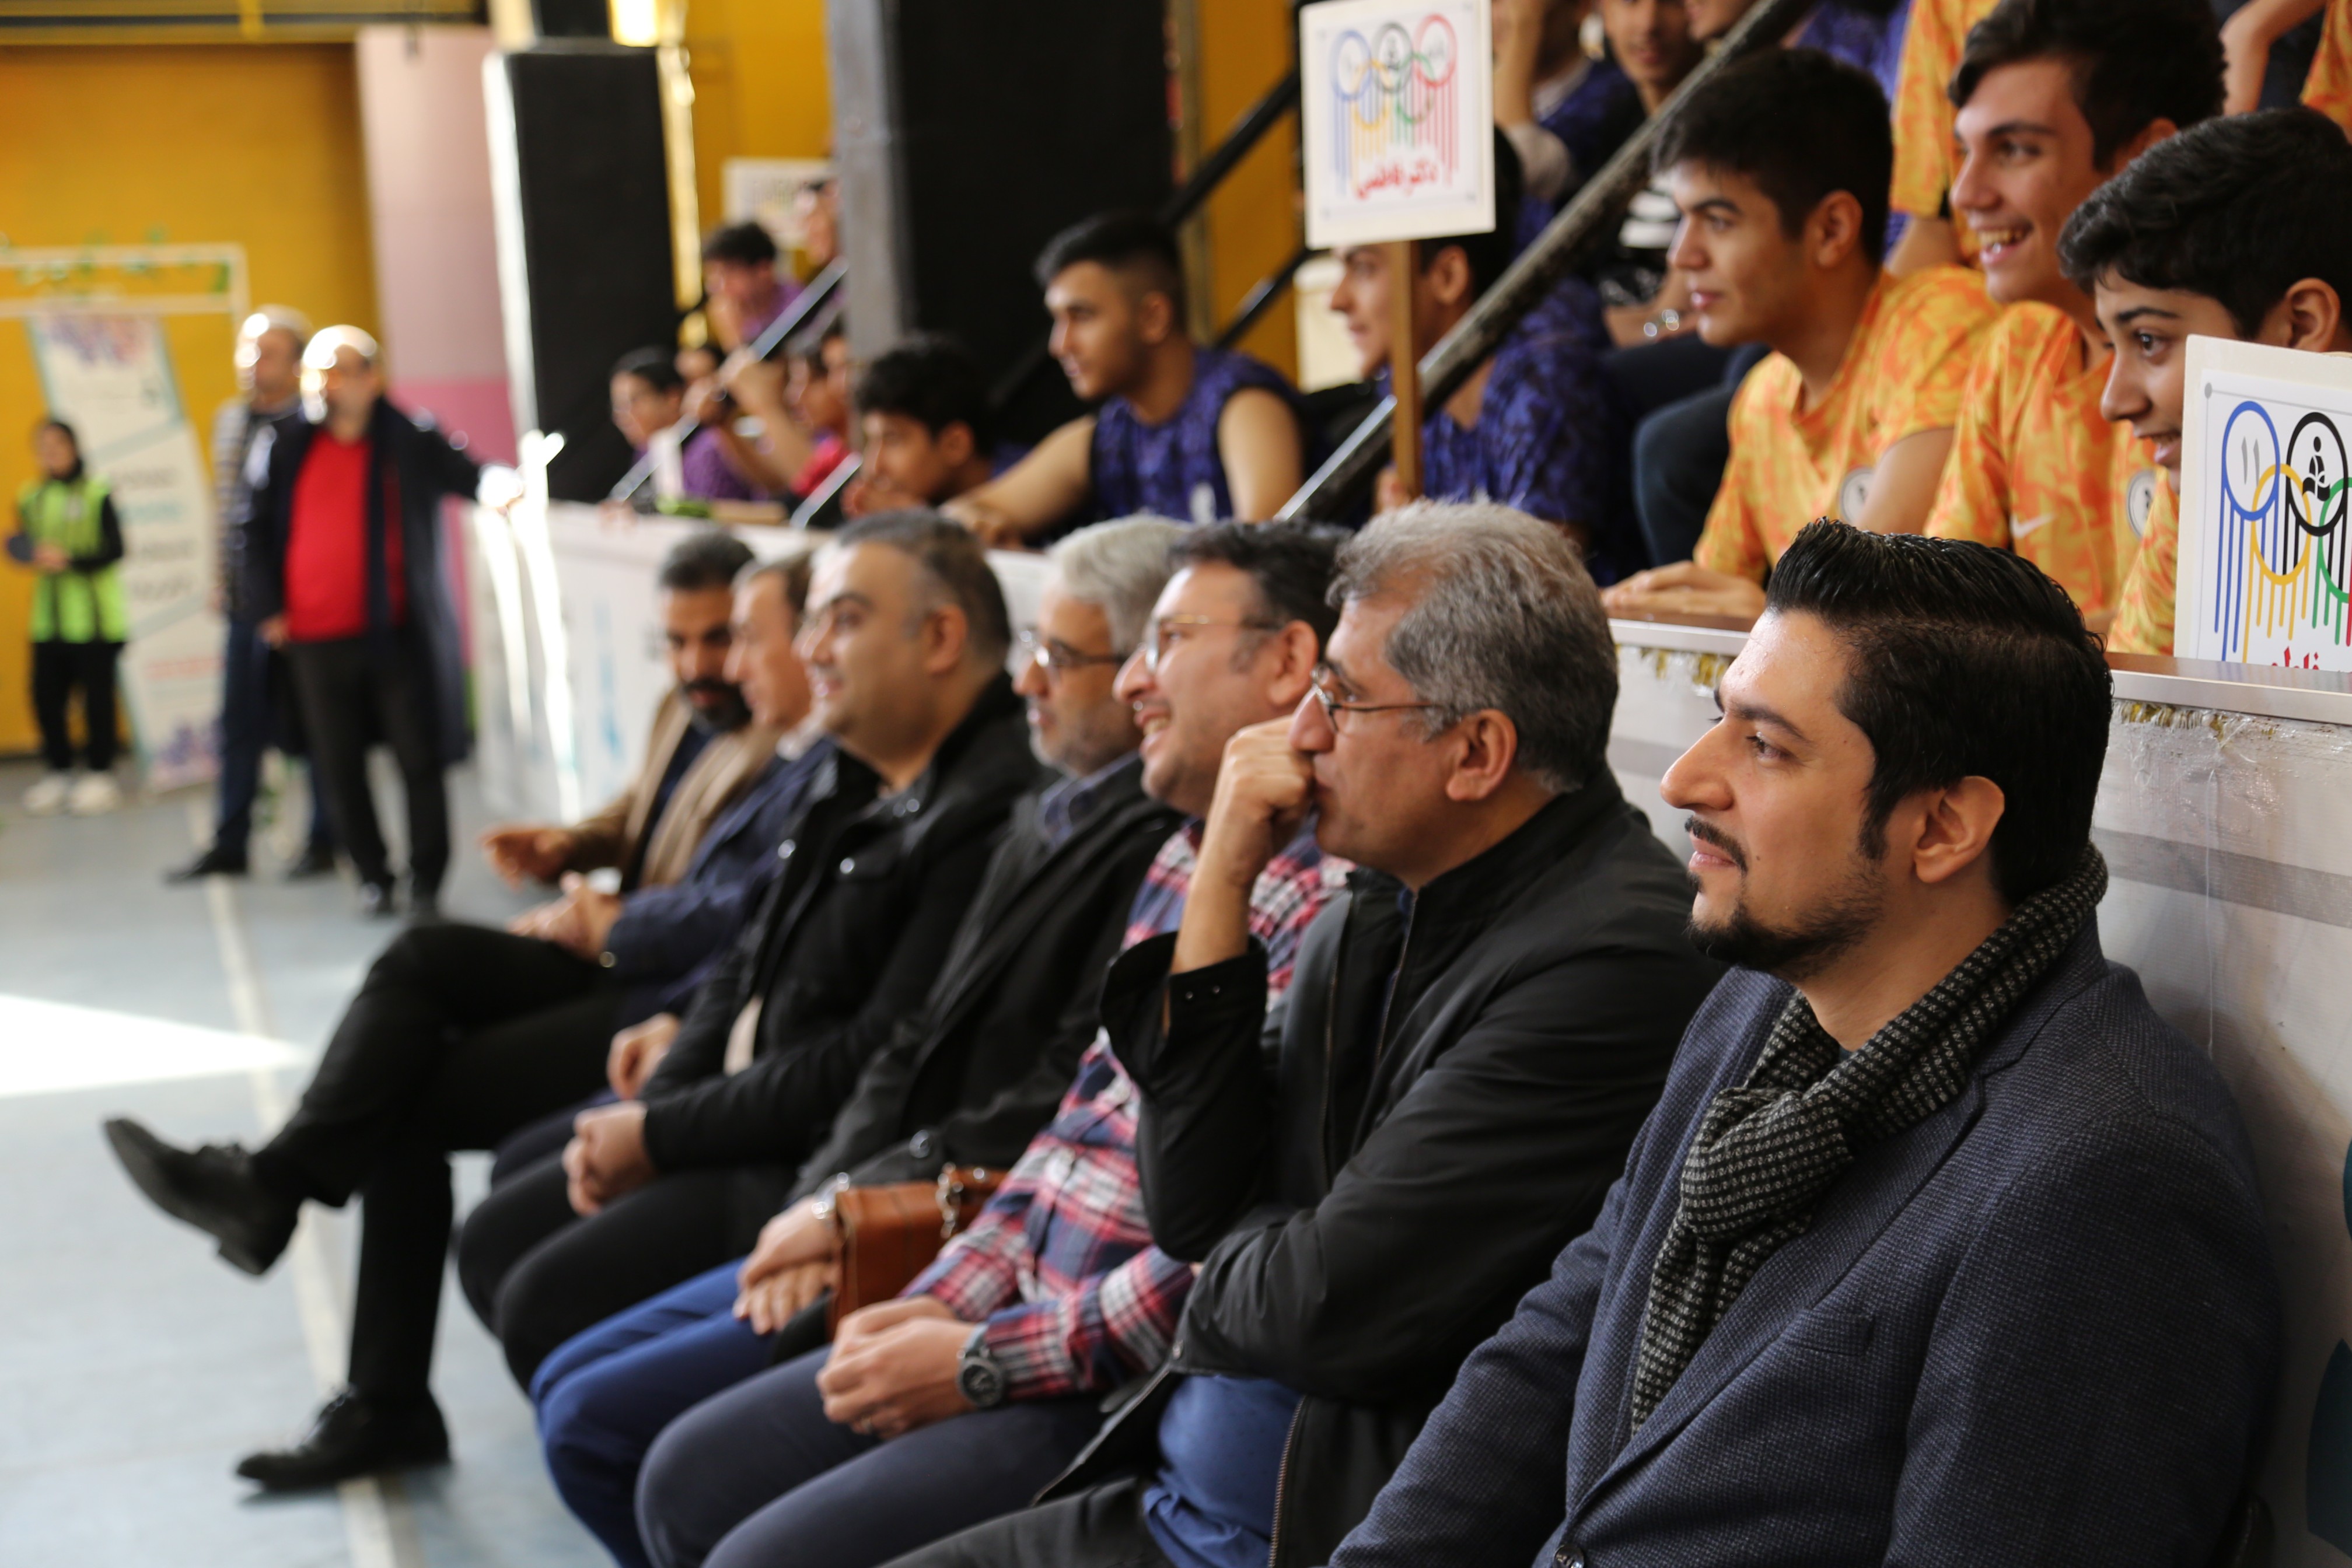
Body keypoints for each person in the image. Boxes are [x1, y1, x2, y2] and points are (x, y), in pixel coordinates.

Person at [1326, 521, 2281, 1568]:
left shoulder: (2103, 1180)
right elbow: (1558, 1344)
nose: (1685, 780)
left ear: (1941, 828)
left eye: (1766, 747)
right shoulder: (1758, 1004)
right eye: (1718, 720)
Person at [894, 502, 1720, 1568]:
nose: (1301, 734)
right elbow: (1189, 1205)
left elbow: (1313, 1309)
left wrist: (1250, 1247)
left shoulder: (1611, 963)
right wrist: (1221, 878)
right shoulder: (1376, 900)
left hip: (1314, 1531)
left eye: (1341, 697)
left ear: (1475, 752)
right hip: (1174, 1479)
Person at [575, 520, 1348, 1568]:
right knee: (674, 1467)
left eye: (1162, 644)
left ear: (1290, 661)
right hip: (995, 1272)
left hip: (1111, 1381)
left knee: (698, 1495)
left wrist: (975, 1349)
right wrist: (930, 1293)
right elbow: (1065, 1135)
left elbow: (1224, 1251)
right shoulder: (1182, 848)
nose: (1131, 682)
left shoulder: (1332, 908)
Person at [100, 541, 829, 1491]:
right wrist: (570, 847)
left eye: (726, 639)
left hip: (658, 987)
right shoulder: (694, 713)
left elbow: (741, 914)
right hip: (625, 949)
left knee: (401, 1095)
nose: (706, 664)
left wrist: (612, 923)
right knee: (421, 959)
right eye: (681, 641)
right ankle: (283, 1202)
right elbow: (648, 818)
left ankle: (318, 1273)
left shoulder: (797, 748)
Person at [455, 513, 1043, 1391]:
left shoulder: (989, 814)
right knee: (499, 1230)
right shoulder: (850, 771)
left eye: (841, 621)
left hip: (803, 1150)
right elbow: (746, 961)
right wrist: (663, 1103)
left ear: (940, 639)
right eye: (808, 625)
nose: (811, 651)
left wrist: (679, 1142)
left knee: (545, 1308)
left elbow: (876, 1057)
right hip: (753, 1108)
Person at [1605, 49, 1997, 621]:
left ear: (1831, 230)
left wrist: (1764, 617)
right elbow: (1715, 590)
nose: (1682, 255)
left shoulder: (1938, 322)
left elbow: (1877, 607)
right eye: (1683, 219)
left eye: (1718, 221)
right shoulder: (1762, 397)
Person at [1920, 0, 2221, 629]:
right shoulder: (2018, 344)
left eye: (2015, 150)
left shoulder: (2237, 358)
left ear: (2146, 157)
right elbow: (1933, 614)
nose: (1966, 193)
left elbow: (2216, 661)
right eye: (1964, 151)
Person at [2059, 107, 2352, 656]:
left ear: (2300, 325)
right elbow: (2137, 697)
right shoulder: (2200, 483)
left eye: (2149, 340)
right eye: (2112, 345)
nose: (2113, 401)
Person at [241, 326, 510, 919]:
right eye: (317, 374)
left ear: (373, 378)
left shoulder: (410, 437)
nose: (326, 386)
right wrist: (269, 608)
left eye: (339, 372)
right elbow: (250, 528)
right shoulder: (284, 443)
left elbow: (473, 475)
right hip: (313, 639)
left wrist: (504, 487)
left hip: (395, 634)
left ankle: (425, 880)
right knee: (338, 766)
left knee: (418, 759)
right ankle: (372, 876)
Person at [1329, 139, 1635, 582]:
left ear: (1448, 276)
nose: (1336, 300)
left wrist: (1418, 552)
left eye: (1363, 268)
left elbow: (1534, 586)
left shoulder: (1547, 381)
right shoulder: (1406, 386)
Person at [944, 214, 1310, 541]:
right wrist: (982, 531)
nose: (1060, 345)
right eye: (1058, 321)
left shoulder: (1245, 406)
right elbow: (960, 515)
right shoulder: (1108, 436)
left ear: (1153, 318)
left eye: (1082, 316)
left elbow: (1263, 558)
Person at [169, 307, 337, 878]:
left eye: (268, 352)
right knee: (239, 725)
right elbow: (228, 513)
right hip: (245, 605)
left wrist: (287, 603)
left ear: (296, 364)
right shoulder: (229, 421)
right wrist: (224, 579)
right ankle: (230, 843)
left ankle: (324, 839)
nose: (252, 362)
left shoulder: (313, 426)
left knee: (314, 727)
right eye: (248, 349)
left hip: (300, 609)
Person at [11, 418, 127, 817]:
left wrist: (71, 559)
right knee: (45, 696)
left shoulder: (98, 491)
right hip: (49, 617)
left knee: (97, 698)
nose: (51, 453)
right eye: (44, 446)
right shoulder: (31, 496)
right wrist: (26, 551)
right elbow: (21, 544)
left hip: (94, 618)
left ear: (74, 447)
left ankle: (100, 773)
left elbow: (116, 549)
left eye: (58, 444)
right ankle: (58, 771)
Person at [1496, 0, 1646, 250]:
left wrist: (1524, 28)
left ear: (1581, 8)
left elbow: (1515, 164)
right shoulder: (1473, 98)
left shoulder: (1614, 92)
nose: (1506, 14)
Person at [843, 336, 999, 517]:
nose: (874, 467)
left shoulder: (1022, 504)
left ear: (955, 444)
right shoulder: (934, 503)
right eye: (870, 441)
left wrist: (921, 522)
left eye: (892, 440)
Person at [701, 221, 796, 354]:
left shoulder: (799, 307)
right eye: (713, 276)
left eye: (729, 272)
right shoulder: (740, 312)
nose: (718, 287)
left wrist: (734, 334)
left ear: (764, 270)